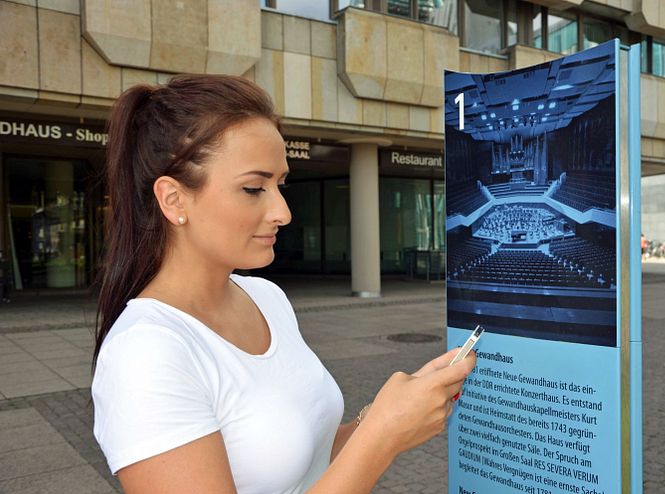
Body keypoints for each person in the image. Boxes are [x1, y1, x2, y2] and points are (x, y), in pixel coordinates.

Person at [91, 74, 476, 494]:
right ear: (173, 199)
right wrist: (383, 435)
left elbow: (311, 463)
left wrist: (387, 414)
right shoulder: (146, 352)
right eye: (254, 188)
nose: (282, 211)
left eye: (280, 185)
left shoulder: (265, 297)